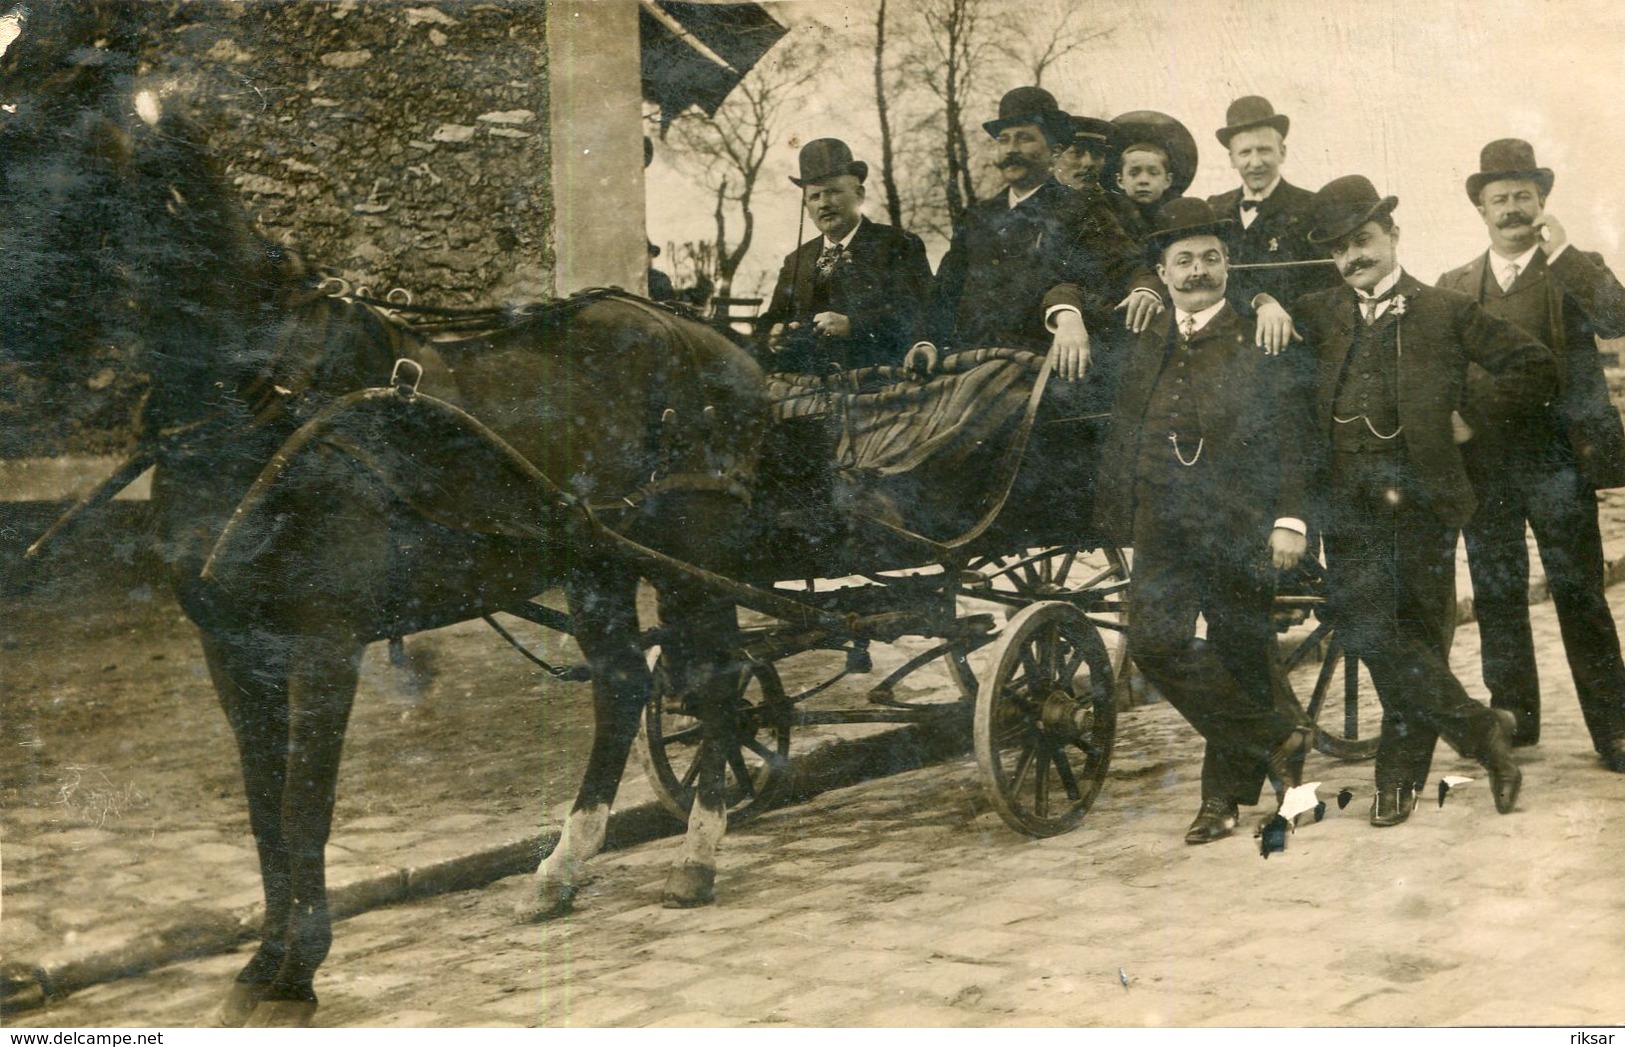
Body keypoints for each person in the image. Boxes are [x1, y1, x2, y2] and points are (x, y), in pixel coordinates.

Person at [1293, 175, 1555, 825]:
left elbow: (1533, 365)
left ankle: (1397, 781)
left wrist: (1471, 415)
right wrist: (1269, 303)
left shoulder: (1445, 309)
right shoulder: (1319, 313)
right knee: (1366, 628)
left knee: (1414, 633)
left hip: (1420, 497)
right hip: (1346, 501)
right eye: (1339, 249)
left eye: (1362, 240)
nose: (1353, 257)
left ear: (1392, 235)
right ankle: (1480, 729)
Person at [1095, 197, 1314, 844]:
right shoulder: (1144, 337)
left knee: (1239, 649)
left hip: (1240, 518)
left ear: (1228, 267)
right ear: (1162, 273)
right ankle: (1275, 735)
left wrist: (1291, 517)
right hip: (1162, 520)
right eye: (1184, 260)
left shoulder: (1260, 335)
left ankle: (1220, 800)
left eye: (1211, 259)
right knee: (1153, 643)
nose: (1198, 272)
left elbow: (1295, 435)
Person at [1436, 139, 1625, 772]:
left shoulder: (1573, 268)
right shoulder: (1456, 284)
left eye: (1524, 196)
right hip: (1484, 463)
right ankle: (1514, 716)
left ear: (1542, 202)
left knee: (1579, 591)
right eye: (1500, 198)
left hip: (1557, 461)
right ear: (1481, 209)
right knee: (1496, 593)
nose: (1512, 208)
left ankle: (1615, 728)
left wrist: (1566, 253)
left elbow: (1618, 319)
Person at [911, 86, 1163, 385]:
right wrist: (925, 341)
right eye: (1004, 140)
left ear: (1055, 151)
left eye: (1024, 138)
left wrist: (1145, 290)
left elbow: (1130, 268)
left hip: (1043, 368)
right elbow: (945, 290)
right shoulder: (977, 216)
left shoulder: (1082, 208)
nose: (1011, 149)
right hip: (969, 363)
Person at [758, 138, 932, 374]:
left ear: (859, 195)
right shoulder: (796, 260)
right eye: (815, 196)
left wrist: (854, 326)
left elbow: (919, 315)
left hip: (877, 379)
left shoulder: (899, 244)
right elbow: (771, 319)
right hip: (804, 383)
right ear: (806, 207)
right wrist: (773, 334)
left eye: (833, 192)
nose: (824, 204)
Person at [1207, 96, 1340, 311]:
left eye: (1264, 150)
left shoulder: (1312, 206)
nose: (1255, 162)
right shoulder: (1214, 208)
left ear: (1282, 152)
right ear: (1232, 159)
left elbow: (1328, 286)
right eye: (1245, 152)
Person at [1099, 111, 1198, 244]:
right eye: (1134, 173)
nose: (1143, 180)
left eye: (1153, 173)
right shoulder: (1108, 217)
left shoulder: (1181, 217)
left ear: (1167, 180)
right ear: (1120, 180)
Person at [1054, 113, 1114, 194]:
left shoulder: (1116, 201)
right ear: (1054, 157)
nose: (1089, 163)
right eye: (1077, 153)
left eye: (1097, 153)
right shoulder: (1039, 198)